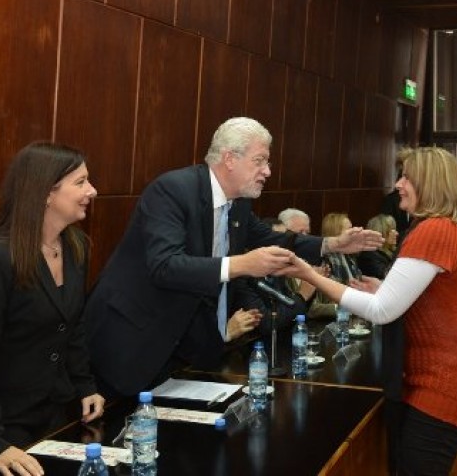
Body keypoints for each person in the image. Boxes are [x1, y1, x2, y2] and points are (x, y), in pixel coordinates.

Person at [84, 117, 382, 397]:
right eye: (260, 161)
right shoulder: (173, 190)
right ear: (229, 159)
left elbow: (274, 238)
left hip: (185, 348)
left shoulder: (237, 205)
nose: (267, 171)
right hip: (133, 342)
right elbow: (165, 266)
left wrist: (332, 243)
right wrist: (241, 264)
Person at [280, 146, 457, 475]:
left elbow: (381, 312)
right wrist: (385, 290)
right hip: (445, 371)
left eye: (407, 177)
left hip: (450, 377)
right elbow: (429, 298)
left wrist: (309, 276)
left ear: (430, 183)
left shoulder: (434, 230)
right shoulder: (441, 227)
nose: (398, 184)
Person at [0, 142, 105, 476]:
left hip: (54, 413)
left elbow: (72, 325)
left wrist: (85, 384)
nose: (93, 190)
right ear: (46, 192)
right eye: (81, 182)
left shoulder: (76, 248)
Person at [229, 209, 319, 336]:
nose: (283, 245)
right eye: (276, 240)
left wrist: (308, 292)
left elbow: (294, 313)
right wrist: (302, 296)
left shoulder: (276, 271)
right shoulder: (243, 276)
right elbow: (266, 322)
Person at [306, 213, 363, 319]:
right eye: (350, 229)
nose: (355, 233)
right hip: (327, 325)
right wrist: (346, 309)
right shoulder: (322, 261)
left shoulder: (350, 258)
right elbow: (313, 308)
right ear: (336, 233)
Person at [357, 214, 398, 279]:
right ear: (381, 232)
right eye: (392, 229)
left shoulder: (391, 252)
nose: (396, 233)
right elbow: (388, 277)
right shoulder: (369, 255)